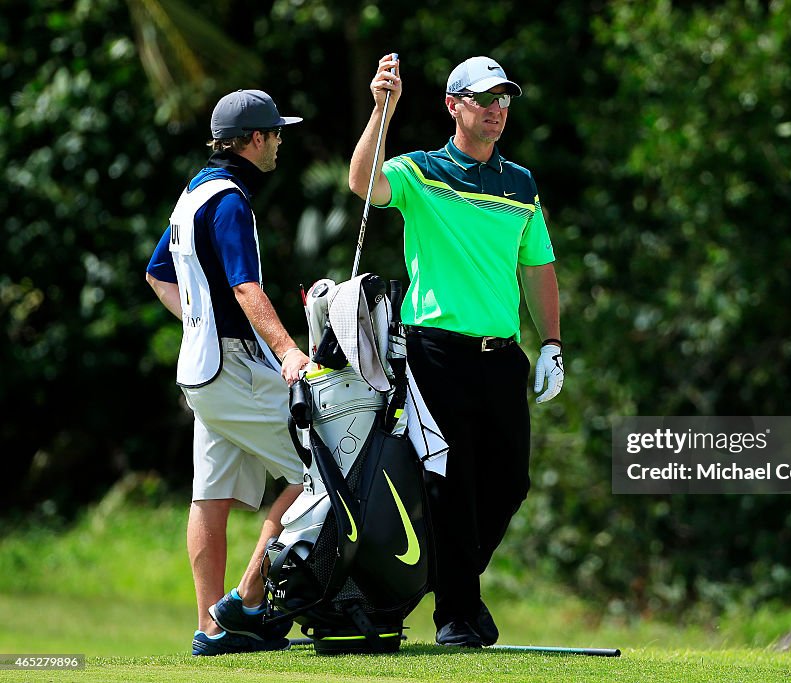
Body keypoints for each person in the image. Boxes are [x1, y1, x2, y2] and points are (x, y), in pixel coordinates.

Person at [349, 54, 565, 648]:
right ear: (454, 105)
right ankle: (457, 616)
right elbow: (363, 184)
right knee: (450, 482)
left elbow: (538, 265)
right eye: (484, 99)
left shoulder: (520, 183)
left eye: (503, 100)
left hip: (502, 355)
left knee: (509, 482)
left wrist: (551, 343)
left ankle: (441, 589)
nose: (497, 110)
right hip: (435, 350)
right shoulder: (422, 171)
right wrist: (381, 110)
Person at [145, 89, 310, 656]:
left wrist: (197, 326)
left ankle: (212, 633)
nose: (281, 142)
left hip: (200, 373)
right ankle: (245, 601)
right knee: (317, 478)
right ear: (256, 139)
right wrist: (289, 351)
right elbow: (245, 288)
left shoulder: (193, 193)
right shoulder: (232, 200)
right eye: (277, 133)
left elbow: (157, 276)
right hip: (233, 370)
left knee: (209, 499)